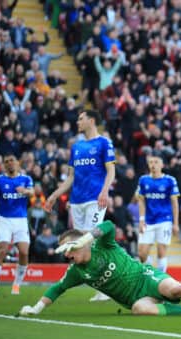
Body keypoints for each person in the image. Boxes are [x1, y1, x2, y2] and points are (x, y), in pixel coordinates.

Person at [19, 221, 181, 317]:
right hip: (134, 298)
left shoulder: (102, 243)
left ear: (80, 243)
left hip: (146, 278)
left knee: (177, 289)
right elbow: (56, 290)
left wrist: (86, 237)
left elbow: (109, 225)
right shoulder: (76, 272)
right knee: (141, 310)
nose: (66, 255)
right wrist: (36, 308)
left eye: (67, 248)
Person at [44, 109, 116, 302]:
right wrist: (54, 195)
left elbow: (111, 171)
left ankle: (105, 286)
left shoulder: (104, 143)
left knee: (90, 238)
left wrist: (105, 191)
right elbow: (71, 178)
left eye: (81, 119)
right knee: (81, 240)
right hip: (76, 201)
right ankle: (98, 282)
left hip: (95, 199)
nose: (77, 122)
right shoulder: (76, 147)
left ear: (91, 121)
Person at [0, 153, 35, 294]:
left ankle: (16, 285)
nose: (9, 163)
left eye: (12, 160)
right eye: (6, 161)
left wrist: (25, 191)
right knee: (2, 250)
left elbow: (33, 192)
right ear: (4, 165)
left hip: (21, 220)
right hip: (4, 219)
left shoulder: (25, 179)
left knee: (24, 252)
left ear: (17, 163)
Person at [136, 154, 180, 273]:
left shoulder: (170, 180)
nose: (153, 165)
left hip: (164, 220)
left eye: (156, 162)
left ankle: (161, 279)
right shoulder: (143, 180)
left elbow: (174, 203)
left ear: (162, 165)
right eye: (150, 162)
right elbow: (141, 200)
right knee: (142, 253)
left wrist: (176, 223)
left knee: (161, 251)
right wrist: (141, 219)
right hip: (148, 221)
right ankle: (151, 273)